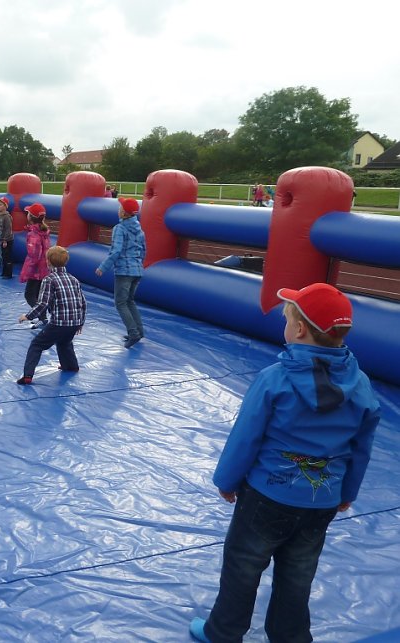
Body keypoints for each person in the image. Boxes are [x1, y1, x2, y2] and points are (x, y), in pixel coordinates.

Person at [189, 282, 381, 643]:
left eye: (287, 318)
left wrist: (227, 480)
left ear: (298, 329)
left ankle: (224, 632)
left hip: (266, 498)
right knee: (299, 572)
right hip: (321, 500)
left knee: (243, 566)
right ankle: (290, 637)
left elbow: (246, 436)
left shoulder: (275, 380)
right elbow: (362, 447)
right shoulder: (361, 385)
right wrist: (346, 492)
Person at [16, 246, 86, 385]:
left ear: (48, 262)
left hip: (59, 323)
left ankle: (28, 375)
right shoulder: (74, 279)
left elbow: (43, 303)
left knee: (36, 345)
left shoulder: (49, 280)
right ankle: (71, 366)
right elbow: (83, 303)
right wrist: (80, 322)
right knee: (64, 341)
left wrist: (28, 316)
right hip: (75, 321)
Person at [95, 197, 146, 348]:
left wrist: (102, 267)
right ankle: (139, 331)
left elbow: (116, 251)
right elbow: (143, 250)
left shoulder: (120, 228)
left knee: (120, 303)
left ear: (123, 212)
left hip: (124, 271)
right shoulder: (139, 229)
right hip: (136, 270)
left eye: (120, 208)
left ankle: (133, 333)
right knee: (130, 301)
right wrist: (139, 265)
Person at [19, 203, 51, 329]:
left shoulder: (33, 234)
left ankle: (42, 318)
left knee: (29, 295)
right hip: (44, 269)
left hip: (36, 270)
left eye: (28, 213)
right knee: (38, 295)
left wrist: (27, 272)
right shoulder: (44, 231)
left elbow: (34, 255)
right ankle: (43, 318)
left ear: (30, 217)